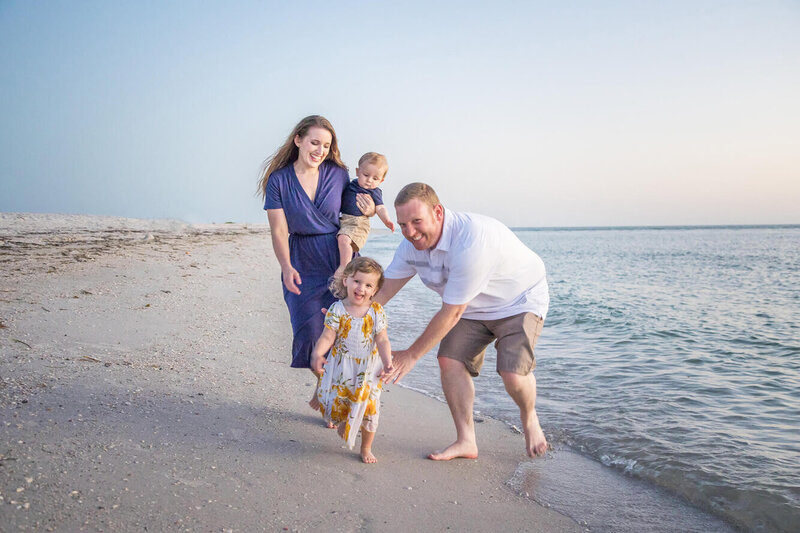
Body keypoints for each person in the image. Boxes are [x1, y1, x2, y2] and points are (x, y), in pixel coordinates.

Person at [375, 183, 550, 460]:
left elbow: (452, 312)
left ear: (438, 212)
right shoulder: (410, 247)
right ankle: (466, 441)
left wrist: (410, 355)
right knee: (449, 360)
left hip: (518, 301)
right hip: (472, 308)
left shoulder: (472, 240)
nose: (410, 232)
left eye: (417, 221)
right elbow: (383, 291)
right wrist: (345, 319)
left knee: (513, 375)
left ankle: (530, 418)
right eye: (403, 224)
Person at [258, 115, 375, 409]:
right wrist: (285, 266)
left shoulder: (338, 174)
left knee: (345, 332)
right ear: (298, 140)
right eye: (314, 142)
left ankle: (327, 396)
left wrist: (372, 207)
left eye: (326, 145)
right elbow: (278, 230)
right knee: (310, 331)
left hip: (339, 259)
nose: (320, 150)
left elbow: (356, 213)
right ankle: (325, 389)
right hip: (301, 260)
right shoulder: (279, 180)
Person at [311, 257, 394, 463]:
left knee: (370, 409)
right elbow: (328, 336)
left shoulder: (376, 312)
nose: (361, 288)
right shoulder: (337, 309)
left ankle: (366, 447)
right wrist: (318, 353)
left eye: (368, 285)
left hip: (368, 371)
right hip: (342, 368)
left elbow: (382, 339)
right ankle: (343, 422)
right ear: (346, 280)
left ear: (374, 290)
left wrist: (388, 361)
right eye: (357, 281)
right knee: (338, 403)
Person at [336, 152, 395, 276]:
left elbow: (380, 208)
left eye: (375, 178)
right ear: (358, 172)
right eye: (366, 175)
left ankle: (344, 267)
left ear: (381, 180)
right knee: (341, 241)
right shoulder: (351, 184)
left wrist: (387, 221)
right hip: (344, 219)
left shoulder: (375, 191)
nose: (369, 180)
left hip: (358, 223)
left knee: (344, 239)